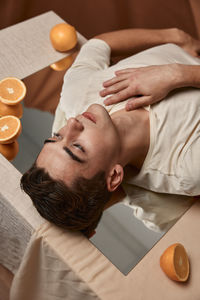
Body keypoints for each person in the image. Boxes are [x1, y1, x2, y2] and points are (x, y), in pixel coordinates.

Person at [20, 28, 200, 238]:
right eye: (78, 147)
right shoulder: (185, 170)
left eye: (56, 137)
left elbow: (98, 45)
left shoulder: (76, 96)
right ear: (114, 176)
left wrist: (175, 36)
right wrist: (177, 74)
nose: (71, 124)